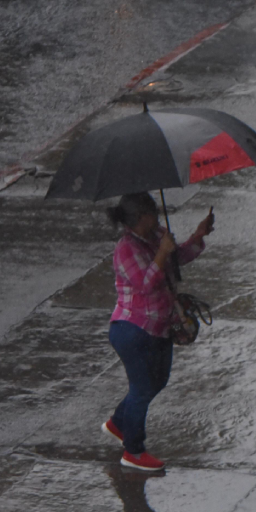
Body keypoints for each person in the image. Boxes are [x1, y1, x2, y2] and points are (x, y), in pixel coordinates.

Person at [101, 193, 214, 471]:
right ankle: (134, 451)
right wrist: (162, 253)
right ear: (141, 218)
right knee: (141, 389)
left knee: (158, 381)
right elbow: (146, 284)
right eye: (153, 212)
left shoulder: (158, 235)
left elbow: (177, 261)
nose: (159, 217)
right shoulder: (126, 249)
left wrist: (196, 237)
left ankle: (118, 423)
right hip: (132, 329)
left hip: (161, 326)